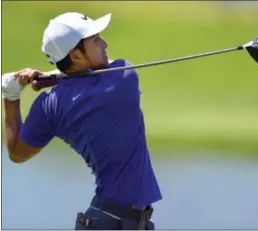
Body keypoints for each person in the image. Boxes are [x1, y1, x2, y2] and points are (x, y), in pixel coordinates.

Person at [2, 12, 162, 230]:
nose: (104, 43)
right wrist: (48, 78)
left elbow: (16, 153)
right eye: (95, 40)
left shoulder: (49, 105)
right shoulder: (123, 78)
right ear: (76, 56)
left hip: (108, 219)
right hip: (111, 222)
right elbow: (104, 69)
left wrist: (11, 96)